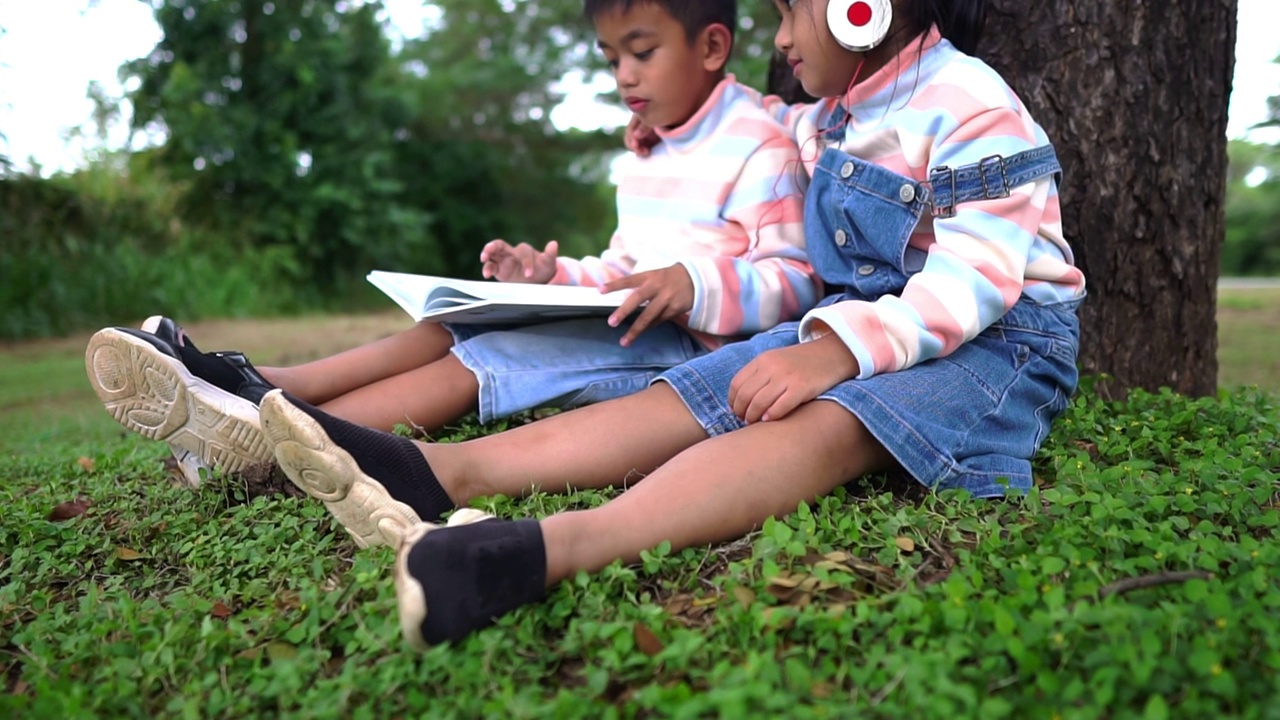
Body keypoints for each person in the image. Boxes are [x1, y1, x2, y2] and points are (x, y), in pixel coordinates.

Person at [249, 0, 1089, 647]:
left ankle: (545, 551)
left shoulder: (971, 103)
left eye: (791, 12)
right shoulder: (831, 115)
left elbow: (979, 277)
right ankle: (439, 473)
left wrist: (836, 354)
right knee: (688, 391)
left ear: (857, 7)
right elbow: (751, 125)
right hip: (859, 324)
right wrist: (678, 129)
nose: (783, 38)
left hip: (999, 344)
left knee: (827, 424)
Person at [84, 0, 820, 489]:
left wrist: (696, 284)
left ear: (713, 45)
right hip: (622, 315)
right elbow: (625, 266)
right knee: (452, 322)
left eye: (642, 52)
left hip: (687, 345)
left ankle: (280, 448)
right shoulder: (649, 151)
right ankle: (260, 382)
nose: (624, 75)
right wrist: (550, 272)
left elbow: (794, 279)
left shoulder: (759, 145)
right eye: (610, 57)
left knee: (481, 360)